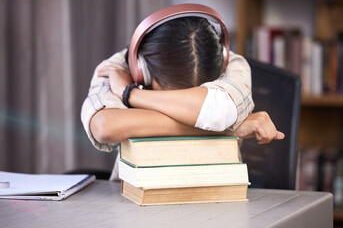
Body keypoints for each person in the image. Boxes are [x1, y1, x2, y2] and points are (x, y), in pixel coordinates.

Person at [81, 12, 284, 180]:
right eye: (172, 97)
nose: (181, 110)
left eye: (191, 97)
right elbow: (105, 127)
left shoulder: (231, 64)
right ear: (142, 71)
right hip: (135, 198)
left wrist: (130, 95)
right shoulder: (117, 68)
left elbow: (218, 110)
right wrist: (233, 128)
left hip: (216, 189)